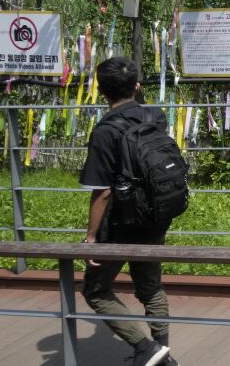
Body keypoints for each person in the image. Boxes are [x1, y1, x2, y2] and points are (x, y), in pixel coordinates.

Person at [79, 57, 175, 366]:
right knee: (150, 287)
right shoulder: (156, 116)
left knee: (95, 290)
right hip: (156, 213)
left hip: (121, 222)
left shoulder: (105, 131)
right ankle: (164, 354)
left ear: (101, 90)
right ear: (137, 86)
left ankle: (147, 349)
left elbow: (103, 191)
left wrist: (91, 237)